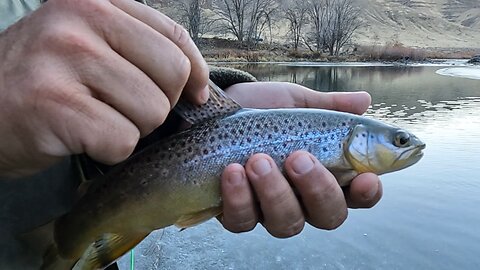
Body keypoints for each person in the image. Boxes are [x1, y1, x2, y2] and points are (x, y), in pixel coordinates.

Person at [0, 0, 382, 268]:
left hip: (84, 230)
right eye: (398, 140)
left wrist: (178, 119)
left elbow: (103, 90)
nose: (407, 146)